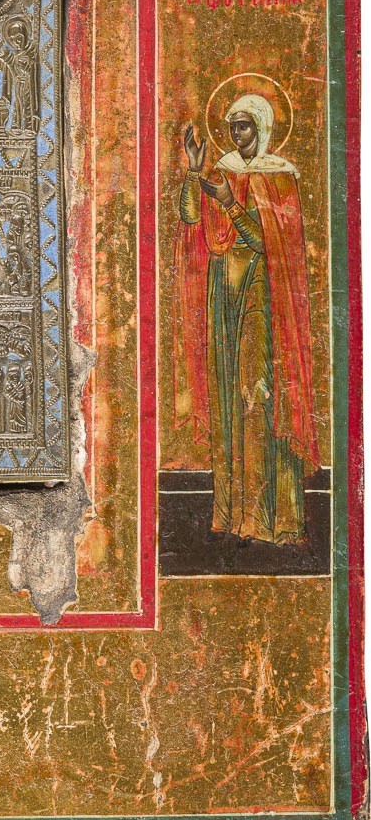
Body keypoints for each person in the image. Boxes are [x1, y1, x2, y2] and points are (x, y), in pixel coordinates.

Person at [175, 93, 319, 543]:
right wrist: (195, 172)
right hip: (224, 295)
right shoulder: (223, 170)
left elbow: (262, 241)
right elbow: (190, 216)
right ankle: (234, 517)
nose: (238, 135)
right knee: (228, 399)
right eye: (233, 127)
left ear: (262, 127)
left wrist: (229, 202)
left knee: (257, 396)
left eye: (245, 126)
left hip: (260, 294)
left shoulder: (281, 177)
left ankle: (272, 520)